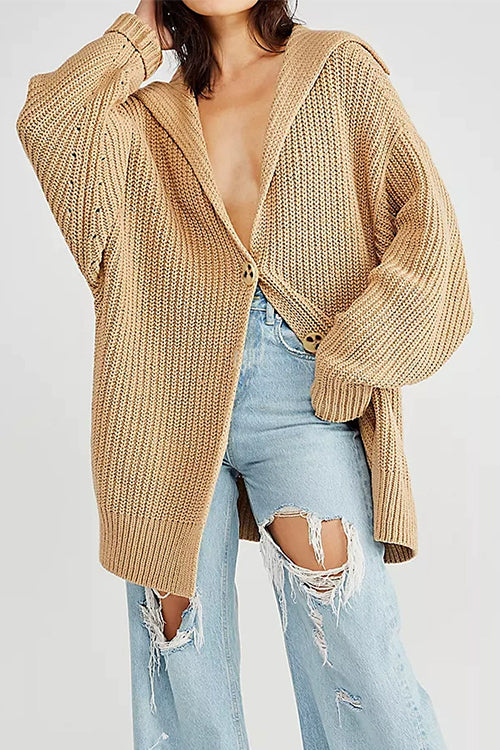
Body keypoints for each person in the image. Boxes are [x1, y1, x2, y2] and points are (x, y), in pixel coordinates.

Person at [16, 1, 473, 748]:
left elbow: (432, 240)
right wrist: (137, 38)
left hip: (302, 396)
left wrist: (357, 352)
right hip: (158, 404)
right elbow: (48, 120)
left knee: (353, 647)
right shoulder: (143, 118)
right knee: (179, 661)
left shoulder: (337, 69)